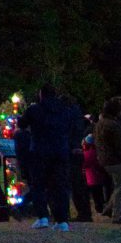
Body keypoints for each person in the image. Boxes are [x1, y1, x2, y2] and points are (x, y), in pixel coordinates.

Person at [20, 82, 81, 231]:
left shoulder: (34, 110)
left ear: (41, 94)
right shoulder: (66, 110)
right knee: (60, 185)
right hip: (60, 151)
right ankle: (62, 220)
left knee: (38, 185)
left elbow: (21, 123)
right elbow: (74, 127)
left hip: (40, 151)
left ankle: (43, 217)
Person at [95, 97, 121, 222]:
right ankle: (116, 215)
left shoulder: (100, 123)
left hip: (105, 160)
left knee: (119, 185)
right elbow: (120, 146)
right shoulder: (113, 125)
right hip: (117, 160)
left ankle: (108, 210)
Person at [81, 132, 107, 215]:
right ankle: (102, 207)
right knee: (99, 194)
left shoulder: (87, 153)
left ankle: (99, 209)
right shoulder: (97, 152)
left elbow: (85, 164)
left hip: (91, 178)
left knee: (95, 195)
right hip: (98, 176)